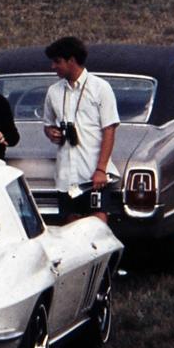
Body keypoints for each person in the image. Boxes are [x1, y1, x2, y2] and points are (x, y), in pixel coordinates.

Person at [42, 37, 119, 223]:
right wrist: (51, 133)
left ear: (71, 60)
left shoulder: (100, 88)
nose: (53, 66)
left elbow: (109, 130)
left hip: (93, 174)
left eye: (57, 61)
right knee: (70, 229)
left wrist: (101, 169)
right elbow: (47, 124)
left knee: (98, 226)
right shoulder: (53, 91)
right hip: (66, 177)